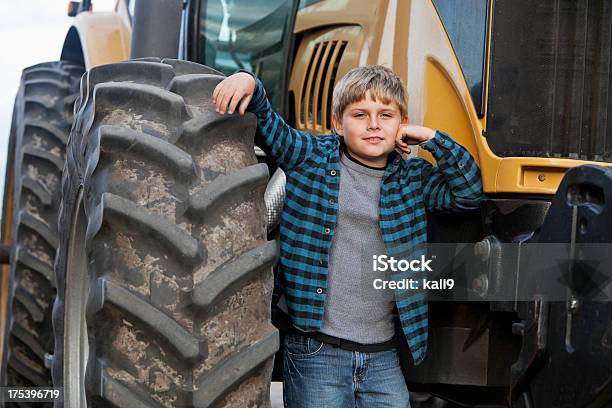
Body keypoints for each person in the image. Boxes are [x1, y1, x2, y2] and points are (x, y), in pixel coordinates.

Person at [212, 65, 484, 408]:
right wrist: (250, 82)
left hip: (382, 356)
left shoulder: (413, 178)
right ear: (339, 124)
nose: (373, 124)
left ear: (401, 123)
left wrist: (433, 139)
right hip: (317, 351)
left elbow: (468, 194)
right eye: (360, 114)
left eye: (386, 115)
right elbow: (271, 126)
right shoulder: (310, 157)